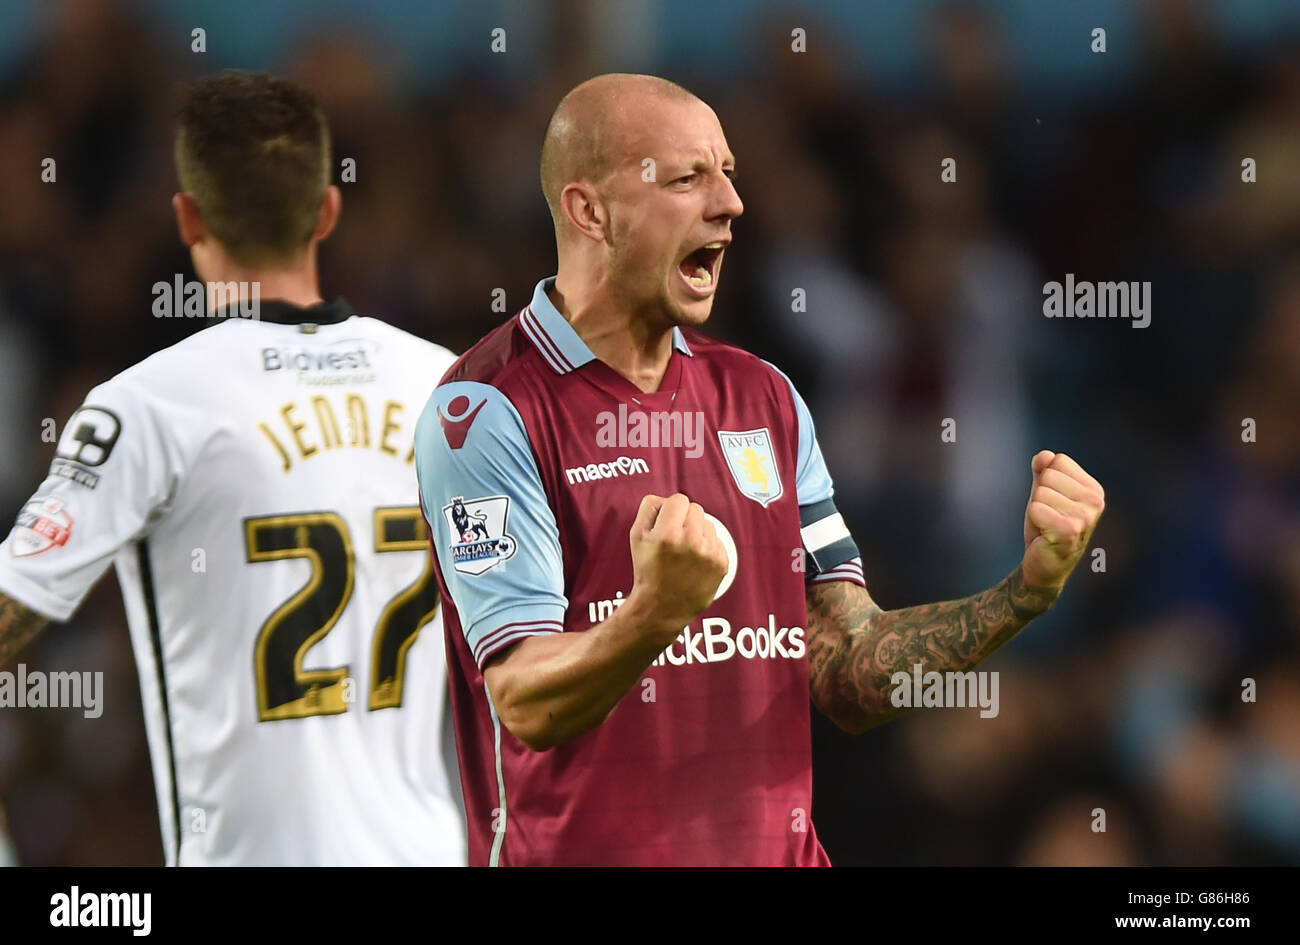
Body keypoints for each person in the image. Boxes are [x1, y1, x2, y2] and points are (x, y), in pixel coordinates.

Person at [414, 73, 1104, 866]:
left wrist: (1024, 593)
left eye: (729, 174)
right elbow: (524, 696)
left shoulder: (763, 398)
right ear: (589, 210)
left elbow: (846, 670)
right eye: (687, 179)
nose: (730, 205)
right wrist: (655, 614)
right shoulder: (487, 411)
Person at [0, 72, 464, 865]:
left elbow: (14, 607)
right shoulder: (452, 388)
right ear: (328, 210)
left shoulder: (147, 406)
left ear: (187, 216)